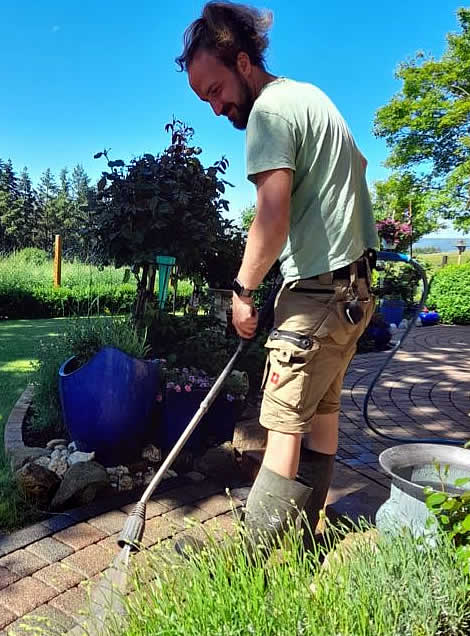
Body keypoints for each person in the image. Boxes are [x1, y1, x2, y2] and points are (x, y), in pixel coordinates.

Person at [175, 1, 379, 552]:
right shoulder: (311, 98)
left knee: (284, 421)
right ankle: (300, 539)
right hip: (353, 291)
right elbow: (355, 173)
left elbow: (271, 214)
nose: (216, 107)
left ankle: (254, 564)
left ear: (243, 62)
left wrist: (243, 291)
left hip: (316, 292)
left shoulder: (268, 112)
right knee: (323, 413)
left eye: (215, 90)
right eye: (204, 99)